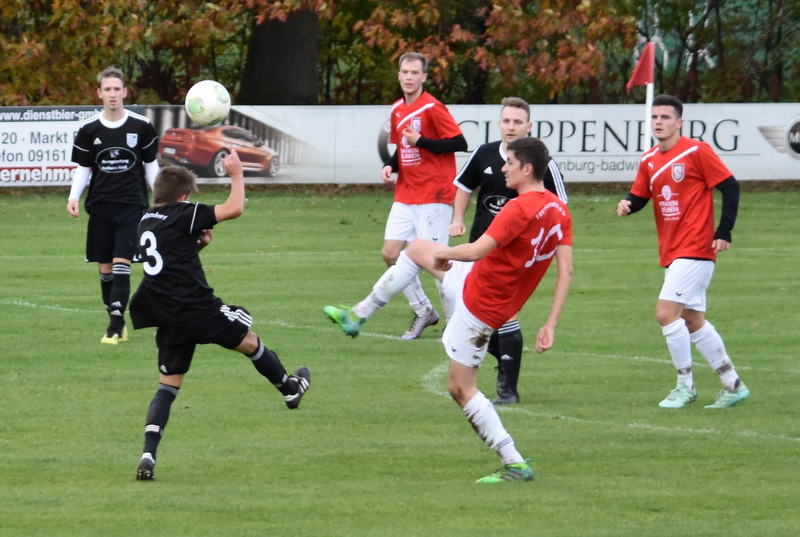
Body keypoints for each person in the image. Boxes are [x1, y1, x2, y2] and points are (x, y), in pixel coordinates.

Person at [326, 137, 573, 482]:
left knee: (461, 389)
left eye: (510, 163)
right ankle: (357, 315)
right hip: (479, 283)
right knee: (416, 249)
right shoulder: (559, 210)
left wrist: (444, 253)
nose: (504, 168)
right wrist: (550, 323)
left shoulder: (518, 208)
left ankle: (514, 462)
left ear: (527, 169)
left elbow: (475, 250)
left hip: (480, 303)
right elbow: (566, 271)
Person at [129, 151, 310, 481]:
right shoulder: (185, 212)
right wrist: (237, 175)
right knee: (248, 334)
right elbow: (234, 208)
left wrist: (198, 246)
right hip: (199, 309)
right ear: (184, 197)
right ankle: (289, 389)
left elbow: (169, 258)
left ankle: (148, 454)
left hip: (167, 316)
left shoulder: (146, 220)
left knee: (168, 385)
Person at [615, 94, 749, 409]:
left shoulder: (696, 151)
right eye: (655, 117)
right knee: (692, 319)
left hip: (696, 247)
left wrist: (724, 230)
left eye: (665, 117)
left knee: (665, 314)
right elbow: (641, 195)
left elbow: (730, 186)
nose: (658, 122)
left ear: (679, 122)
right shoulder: (649, 159)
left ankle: (685, 386)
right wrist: (628, 205)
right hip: (673, 251)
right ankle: (733, 384)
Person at [450, 96, 568, 405]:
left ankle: (507, 387)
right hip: (477, 248)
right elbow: (464, 187)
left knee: (502, 317)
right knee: (467, 314)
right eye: (506, 120)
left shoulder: (541, 167)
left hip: (509, 258)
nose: (511, 126)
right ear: (499, 123)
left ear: (529, 126)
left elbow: (559, 211)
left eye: (517, 121)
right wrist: (458, 219)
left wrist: (439, 253)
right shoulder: (485, 153)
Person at [67, 67, 160, 345]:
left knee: (122, 264)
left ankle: (115, 326)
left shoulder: (141, 126)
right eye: (107, 89)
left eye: (116, 89)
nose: (112, 94)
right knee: (105, 270)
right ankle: (116, 318)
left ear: (125, 92)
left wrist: (162, 199)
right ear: (99, 93)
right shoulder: (89, 129)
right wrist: (73, 197)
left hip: (132, 206)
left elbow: (151, 166)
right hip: (100, 207)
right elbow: (83, 168)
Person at [380, 52, 468, 339]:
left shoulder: (432, 107)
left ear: (424, 77)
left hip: (434, 195)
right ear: (399, 75)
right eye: (405, 72)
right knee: (390, 254)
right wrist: (391, 165)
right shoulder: (397, 109)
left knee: (437, 262)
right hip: (405, 193)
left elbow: (459, 142)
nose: (409, 77)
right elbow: (402, 148)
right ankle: (424, 311)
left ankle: (456, 323)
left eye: (414, 73)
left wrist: (423, 141)